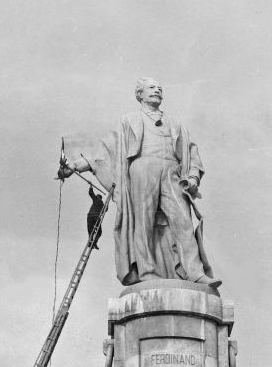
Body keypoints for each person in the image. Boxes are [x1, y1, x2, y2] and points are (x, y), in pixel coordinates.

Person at [59, 77, 219, 288]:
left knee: (183, 221)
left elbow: (191, 152)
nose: (157, 90)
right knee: (143, 222)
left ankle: (195, 272)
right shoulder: (129, 120)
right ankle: (147, 271)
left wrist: (193, 177)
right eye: (151, 88)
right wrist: (75, 165)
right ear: (140, 95)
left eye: (160, 88)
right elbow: (104, 152)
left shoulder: (176, 124)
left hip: (172, 171)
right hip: (142, 169)